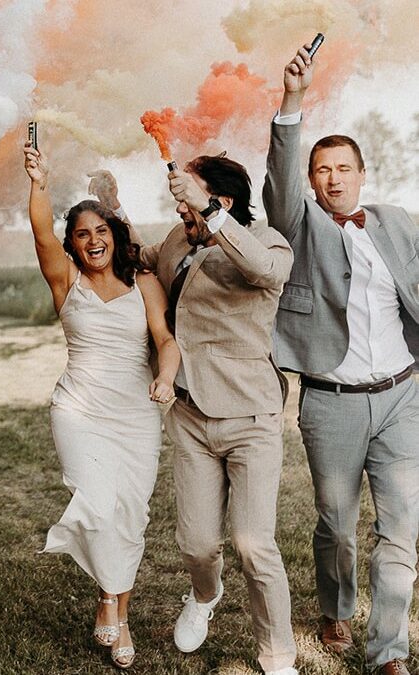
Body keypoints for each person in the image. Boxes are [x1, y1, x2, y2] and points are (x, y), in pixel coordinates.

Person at [264, 43, 419, 675]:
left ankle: (388, 651)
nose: (333, 178)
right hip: (332, 402)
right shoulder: (300, 225)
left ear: (361, 173)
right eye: (321, 168)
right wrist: (293, 100)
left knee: (401, 530)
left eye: (343, 168)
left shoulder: (397, 222)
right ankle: (335, 602)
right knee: (337, 525)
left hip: (404, 395)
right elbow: (278, 186)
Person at [139, 154, 297, 675]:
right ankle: (205, 594)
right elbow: (141, 256)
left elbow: (262, 270)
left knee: (255, 545)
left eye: (189, 199)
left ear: (222, 201)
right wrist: (110, 208)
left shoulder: (268, 242)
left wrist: (206, 208)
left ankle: (277, 656)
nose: (179, 208)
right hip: (189, 413)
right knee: (197, 543)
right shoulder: (179, 240)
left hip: (250, 417)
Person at [22, 145, 179, 669]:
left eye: (101, 231)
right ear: (73, 244)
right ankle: (110, 593)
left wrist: (166, 377)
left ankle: (116, 604)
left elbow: (165, 339)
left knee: (130, 513)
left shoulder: (146, 283)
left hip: (136, 413)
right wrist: (39, 182)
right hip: (79, 410)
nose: (93, 241)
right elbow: (42, 232)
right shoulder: (66, 282)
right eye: (82, 234)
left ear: (116, 235)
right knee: (95, 502)